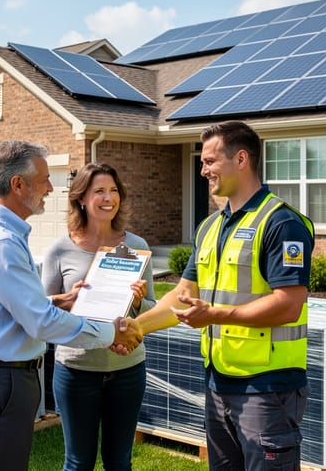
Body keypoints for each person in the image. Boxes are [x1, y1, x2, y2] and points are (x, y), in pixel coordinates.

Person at [135, 120, 314, 470]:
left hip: (268, 387)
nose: (203, 171)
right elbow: (184, 295)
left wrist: (214, 315)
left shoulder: (281, 223)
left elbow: (289, 305)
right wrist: (135, 327)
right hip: (218, 383)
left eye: (210, 161)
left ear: (242, 159)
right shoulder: (210, 226)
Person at [0, 140, 142, 471]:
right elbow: (40, 322)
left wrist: (60, 301)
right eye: (43, 180)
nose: (50, 188)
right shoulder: (3, 243)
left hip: (1, 379)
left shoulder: (2, 235)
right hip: (0, 381)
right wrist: (109, 333)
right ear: (18, 184)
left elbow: (20, 307)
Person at [41, 162, 155, 471]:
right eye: (99, 191)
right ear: (81, 198)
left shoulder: (136, 246)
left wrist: (138, 300)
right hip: (77, 369)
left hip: (128, 369)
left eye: (114, 190)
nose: (109, 198)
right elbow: (41, 312)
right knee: (78, 463)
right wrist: (68, 300)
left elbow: (152, 311)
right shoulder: (59, 251)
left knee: (119, 462)